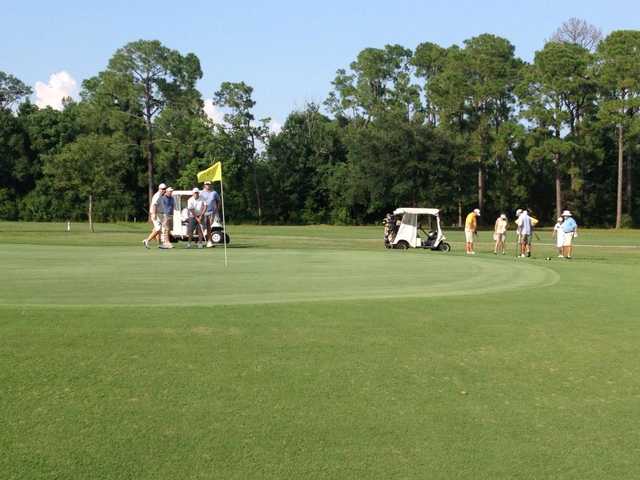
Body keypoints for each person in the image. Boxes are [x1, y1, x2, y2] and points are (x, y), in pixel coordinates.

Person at [142, 183, 166, 249]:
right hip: (156, 213)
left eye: (164, 189)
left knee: (158, 229)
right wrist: (154, 214)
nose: (164, 190)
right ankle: (147, 241)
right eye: (162, 189)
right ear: (159, 189)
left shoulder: (161, 195)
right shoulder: (157, 195)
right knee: (158, 229)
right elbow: (154, 205)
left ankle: (160, 244)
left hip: (160, 214)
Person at [199, 180, 221, 248]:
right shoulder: (201, 193)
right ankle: (200, 242)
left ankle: (209, 241)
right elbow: (199, 202)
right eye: (206, 184)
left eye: (209, 184)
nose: (208, 185)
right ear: (204, 185)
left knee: (209, 228)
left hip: (211, 212)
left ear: (211, 185)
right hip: (203, 212)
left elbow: (218, 201)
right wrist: (200, 213)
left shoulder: (214, 193)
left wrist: (217, 210)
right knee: (201, 227)